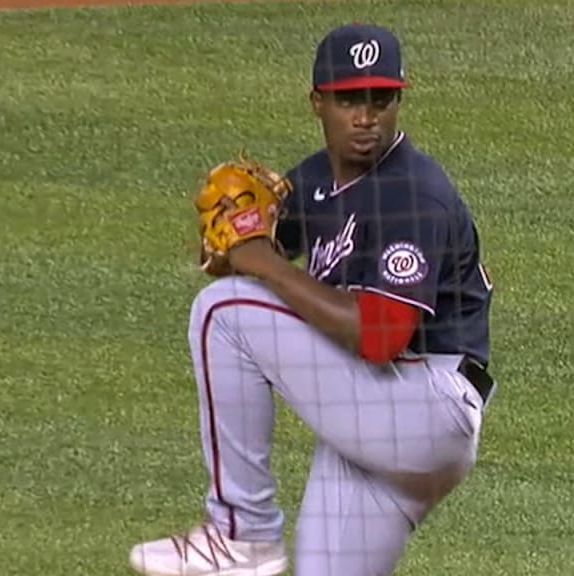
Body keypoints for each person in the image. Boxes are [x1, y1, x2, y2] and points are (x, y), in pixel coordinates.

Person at [128, 21, 496, 576]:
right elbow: (253, 255)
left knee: (222, 313)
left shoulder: (413, 193)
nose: (366, 116)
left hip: (428, 406)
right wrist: (231, 249)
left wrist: (259, 262)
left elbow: (380, 336)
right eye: (349, 99)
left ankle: (241, 534)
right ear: (317, 103)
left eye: (381, 98)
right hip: (376, 417)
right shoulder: (317, 184)